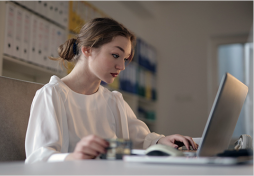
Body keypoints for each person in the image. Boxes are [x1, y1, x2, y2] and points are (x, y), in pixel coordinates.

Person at [25, 17, 198, 163]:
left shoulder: (113, 101)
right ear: (87, 50)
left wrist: (162, 141)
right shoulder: (52, 95)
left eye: (125, 58)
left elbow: (142, 139)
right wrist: (74, 157)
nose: (122, 66)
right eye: (116, 55)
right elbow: (37, 159)